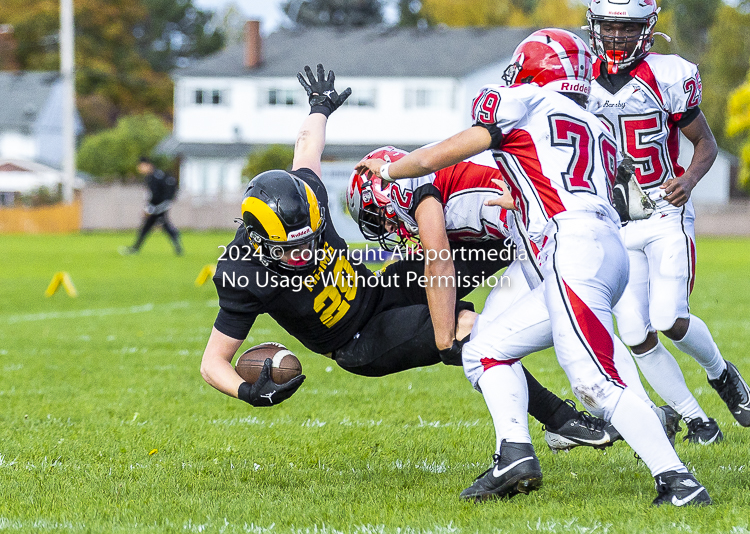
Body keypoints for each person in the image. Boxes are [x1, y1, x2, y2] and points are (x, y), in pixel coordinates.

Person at [355, 29, 710, 506]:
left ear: (531, 70)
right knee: (484, 351)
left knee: (594, 382)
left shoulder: (520, 101)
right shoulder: (595, 124)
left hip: (572, 248)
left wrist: (393, 170)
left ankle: (679, 481)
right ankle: (514, 455)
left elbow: (435, 157)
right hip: (604, 246)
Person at [199, 64, 617, 455]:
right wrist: (246, 392)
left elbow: (307, 149)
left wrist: (319, 108)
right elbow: (212, 362)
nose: (305, 252)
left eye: (309, 239)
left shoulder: (308, 199)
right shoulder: (241, 272)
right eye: (291, 249)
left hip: (378, 289)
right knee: (465, 328)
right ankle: (561, 420)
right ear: (258, 240)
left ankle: (560, 269)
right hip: (359, 341)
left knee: (477, 247)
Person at [585, 0, 750, 444]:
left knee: (669, 318)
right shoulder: (579, 78)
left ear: (649, 27)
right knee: (635, 331)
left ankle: (722, 375)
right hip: (615, 221)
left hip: (663, 212)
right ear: (595, 26)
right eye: (609, 27)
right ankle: (697, 419)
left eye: (628, 27)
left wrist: (689, 179)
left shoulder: (668, 75)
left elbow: (707, 144)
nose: (617, 35)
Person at [121, 157, 183, 256]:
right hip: (159, 206)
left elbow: (155, 195)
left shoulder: (154, 177)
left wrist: (149, 209)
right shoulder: (155, 175)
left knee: (163, 226)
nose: (139, 168)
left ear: (147, 165)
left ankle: (178, 248)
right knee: (149, 227)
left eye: (140, 166)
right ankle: (135, 248)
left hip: (158, 207)